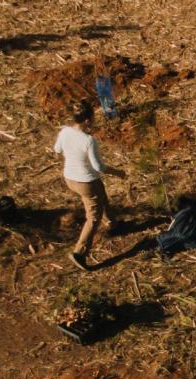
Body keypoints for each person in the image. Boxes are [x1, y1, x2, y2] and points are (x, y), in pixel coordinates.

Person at [53, 103, 124, 270]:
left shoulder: (64, 131)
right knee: (93, 217)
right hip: (86, 182)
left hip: (70, 178)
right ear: (86, 120)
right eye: (93, 118)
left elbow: (57, 150)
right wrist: (118, 172)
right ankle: (80, 253)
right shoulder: (88, 140)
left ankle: (112, 223)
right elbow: (99, 167)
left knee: (100, 193)